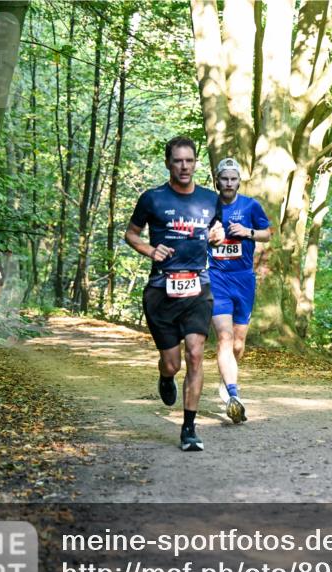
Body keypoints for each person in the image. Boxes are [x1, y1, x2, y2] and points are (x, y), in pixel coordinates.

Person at [124, 136, 225, 451]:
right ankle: (166, 377)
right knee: (173, 363)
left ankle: (189, 429)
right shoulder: (152, 199)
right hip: (162, 290)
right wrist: (150, 250)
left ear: (196, 163)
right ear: (168, 163)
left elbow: (216, 235)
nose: (184, 166)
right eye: (178, 160)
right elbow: (131, 234)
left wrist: (218, 236)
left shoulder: (211, 199)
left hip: (198, 287)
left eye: (189, 160)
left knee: (195, 354)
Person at [208, 157, 271, 424]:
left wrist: (248, 232)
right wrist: (210, 237)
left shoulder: (250, 205)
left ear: (238, 181)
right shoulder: (206, 206)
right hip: (217, 278)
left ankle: (227, 376)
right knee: (224, 337)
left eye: (233, 179)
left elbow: (267, 233)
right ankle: (234, 394)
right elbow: (193, 237)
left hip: (244, 279)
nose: (229, 183)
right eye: (225, 179)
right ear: (217, 180)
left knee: (237, 343)